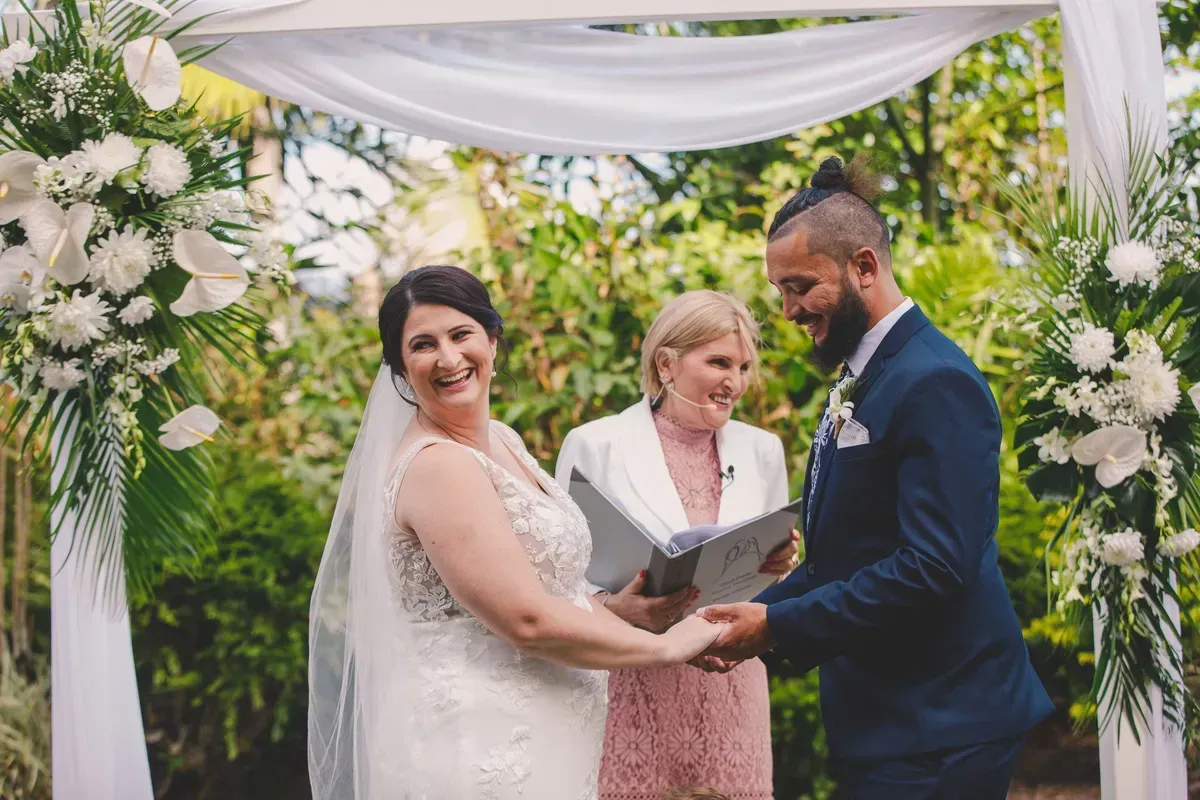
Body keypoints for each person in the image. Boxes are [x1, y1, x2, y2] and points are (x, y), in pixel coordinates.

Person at [692, 157, 1054, 799]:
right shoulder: (865, 373)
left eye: (799, 286)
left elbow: (935, 566)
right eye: (780, 291)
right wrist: (748, 619)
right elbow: (850, 554)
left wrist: (775, 627)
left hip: (942, 721)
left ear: (864, 266)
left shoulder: (934, 379)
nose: (787, 310)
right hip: (888, 716)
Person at [307, 265, 725, 800]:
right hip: (480, 748)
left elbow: (552, 592)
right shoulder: (438, 466)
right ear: (399, 367)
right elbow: (525, 619)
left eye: (461, 335)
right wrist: (667, 648)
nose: (449, 359)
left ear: (492, 339)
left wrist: (627, 616)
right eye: (423, 345)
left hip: (547, 736)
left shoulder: (502, 440)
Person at [555, 290, 798, 800]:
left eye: (744, 366)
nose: (735, 381)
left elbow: (772, 581)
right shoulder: (593, 445)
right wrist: (610, 606)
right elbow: (558, 581)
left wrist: (781, 563)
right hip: (633, 681)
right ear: (666, 362)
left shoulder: (763, 450)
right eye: (718, 362)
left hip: (730, 678)